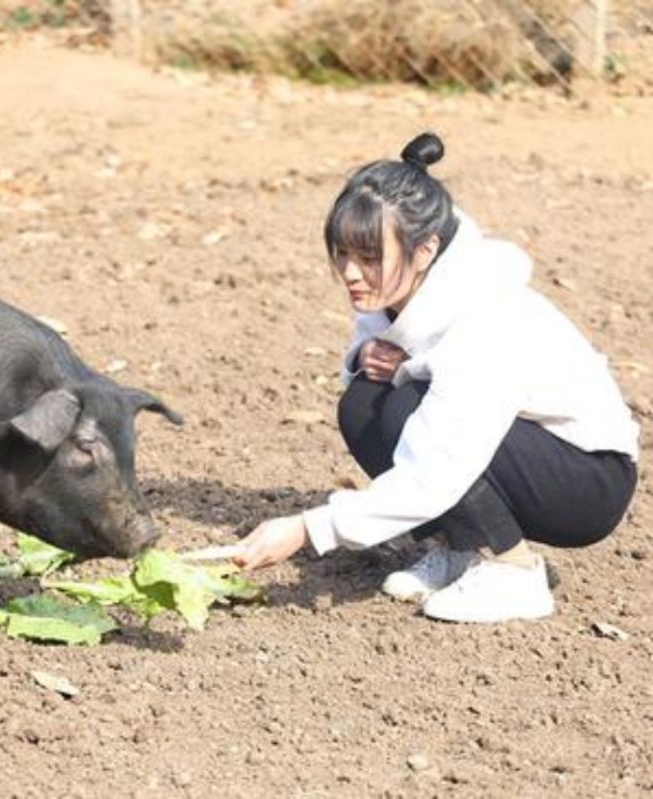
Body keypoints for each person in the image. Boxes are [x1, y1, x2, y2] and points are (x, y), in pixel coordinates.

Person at [233, 132, 640, 623]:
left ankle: (513, 572)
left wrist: (307, 528)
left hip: (586, 478)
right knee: (365, 403)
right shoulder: (406, 286)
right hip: (519, 450)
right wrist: (370, 356)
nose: (351, 274)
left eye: (369, 258)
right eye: (342, 253)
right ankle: (460, 547)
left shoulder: (484, 317)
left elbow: (441, 465)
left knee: (407, 409)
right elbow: (386, 370)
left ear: (425, 250)